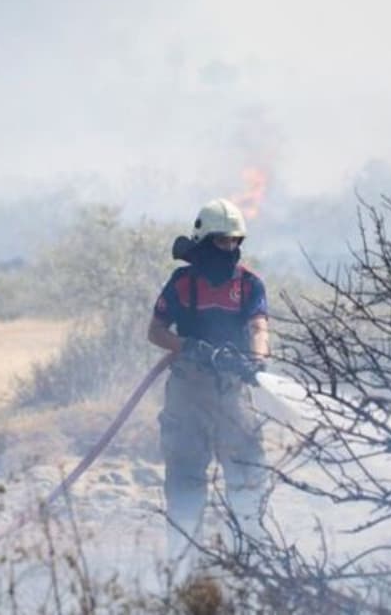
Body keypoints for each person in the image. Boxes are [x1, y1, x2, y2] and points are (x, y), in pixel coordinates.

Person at [147, 197, 269, 562]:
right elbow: (155, 331)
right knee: (185, 483)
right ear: (204, 242)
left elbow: (259, 327)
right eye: (221, 241)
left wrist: (257, 360)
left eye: (234, 241)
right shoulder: (182, 284)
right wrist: (189, 347)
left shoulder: (249, 285)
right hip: (188, 393)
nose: (228, 248)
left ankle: (251, 565)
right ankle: (184, 568)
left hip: (233, 394)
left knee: (248, 478)